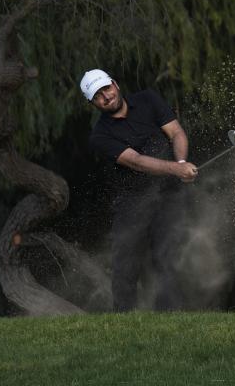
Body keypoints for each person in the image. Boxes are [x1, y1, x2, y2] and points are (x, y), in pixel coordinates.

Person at [80, 68, 198, 311]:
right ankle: (124, 323)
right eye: (98, 96)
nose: (106, 96)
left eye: (106, 88)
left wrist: (181, 163)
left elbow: (176, 132)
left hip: (169, 195)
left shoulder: (148, 99)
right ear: (93, 103)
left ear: (115, 84)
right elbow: (136, 161)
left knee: (168, 257)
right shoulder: (100, 136)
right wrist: (176, 170)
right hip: (132, 201)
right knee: (126, 265)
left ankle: (171, 318)